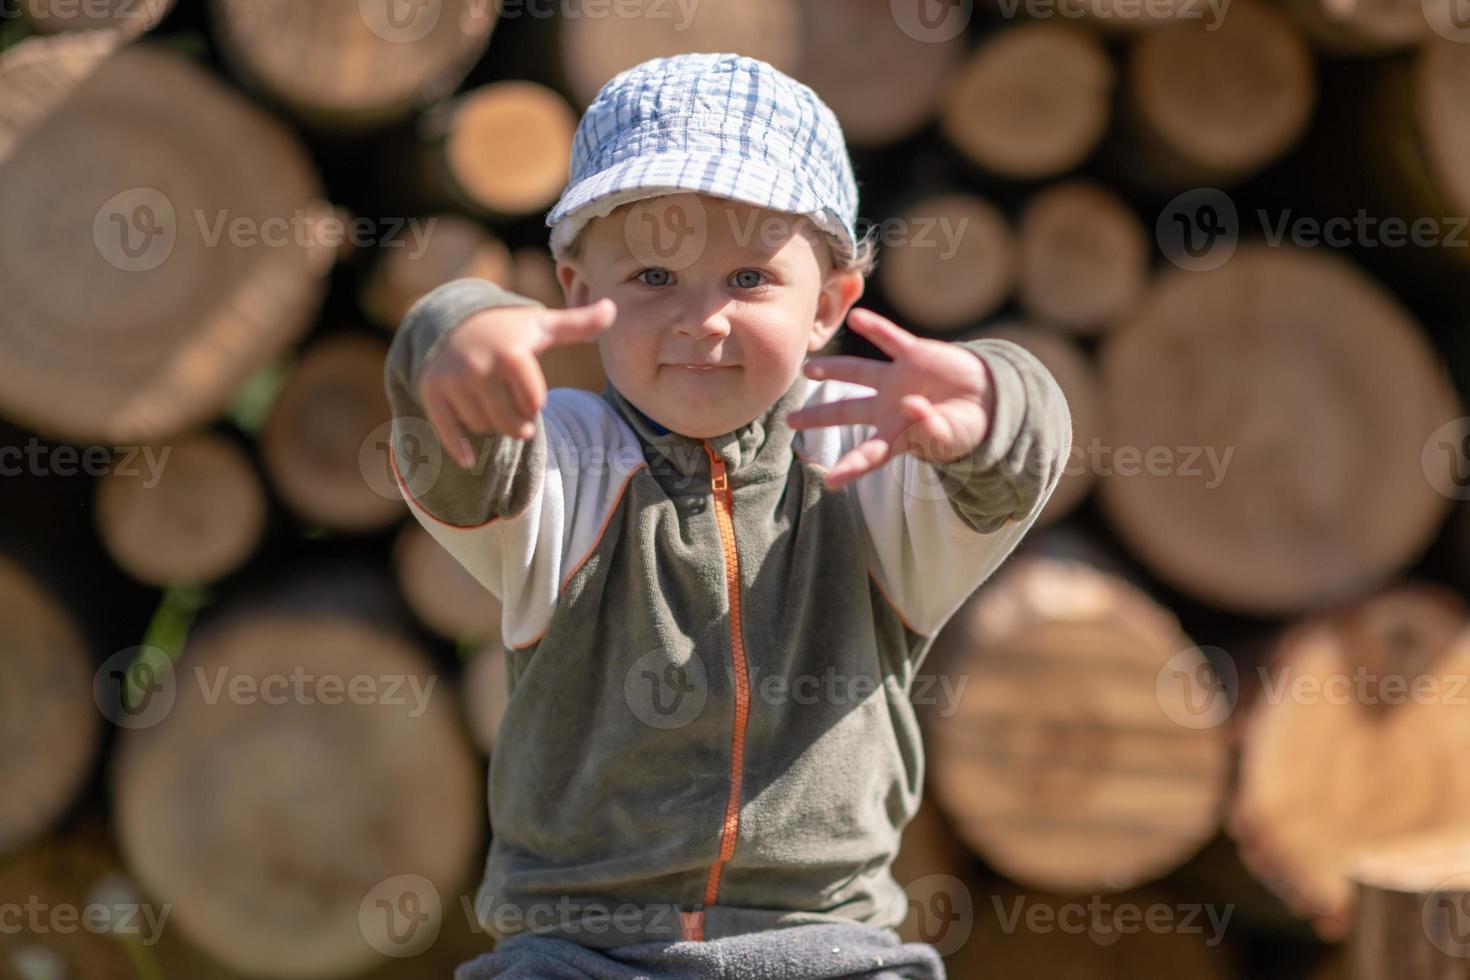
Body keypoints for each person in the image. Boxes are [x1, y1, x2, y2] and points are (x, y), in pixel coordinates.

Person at [383, 51, 1071, 980]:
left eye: (749, 279)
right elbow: (460, 452)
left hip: (831, 948)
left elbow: (1011, 468)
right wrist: (455, 332)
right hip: (582, 952)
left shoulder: (871, 470)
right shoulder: (568, 467)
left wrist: (995, 402)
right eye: (655, 277)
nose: (701, 319)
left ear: (829, 305)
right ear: (580, 293)